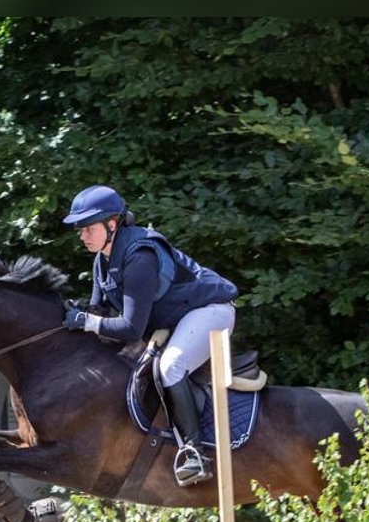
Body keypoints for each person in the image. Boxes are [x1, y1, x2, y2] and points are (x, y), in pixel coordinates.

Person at [61, 184, 240, 487]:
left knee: (170, 367)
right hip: (176, 320)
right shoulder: (101, 261)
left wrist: (87, 321)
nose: (82, 235)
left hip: (209, 311)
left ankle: (193, 453)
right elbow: (97, 314)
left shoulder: (139, 255)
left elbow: (130, 328)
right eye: (80, 229)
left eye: (88, 228)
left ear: (112, 224)